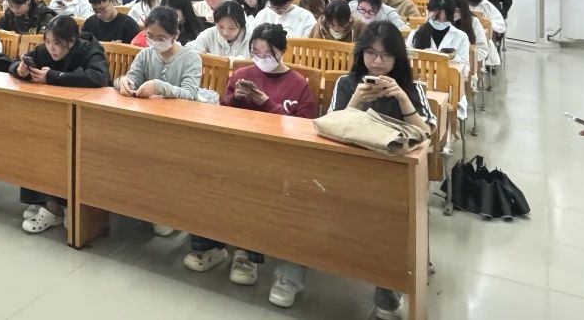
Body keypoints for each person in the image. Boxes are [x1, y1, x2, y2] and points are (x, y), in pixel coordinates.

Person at [183, 23, 316, 308]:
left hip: (279, 157)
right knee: (205, 173)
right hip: (236, 149)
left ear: (282, 51)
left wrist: (267, 104)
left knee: (257, 186)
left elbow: (305, 129)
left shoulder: (299, 84)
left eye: (267, 54)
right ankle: (211, 245)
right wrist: (234, 99)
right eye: (255, 52)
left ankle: (247, 254)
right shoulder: (243, 74)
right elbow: (224, 112)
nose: (260, 58)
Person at [327, 21, 434, 320]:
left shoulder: (411, 88)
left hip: (396, 174)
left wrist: (402, 98)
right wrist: (356, 101)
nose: (377, 62)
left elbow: (426, 135)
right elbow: (331, 128)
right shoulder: (346, 83)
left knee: (392, 219)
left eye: (385, 55)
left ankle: (388, 292)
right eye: (370, 53)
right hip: (351, 168)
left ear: (397, 59)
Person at [10, 15, 109, 232]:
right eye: (47, 42)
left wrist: (53, 76)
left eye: (56, 43)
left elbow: (97, 78)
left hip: (87, 120)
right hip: (52, 115)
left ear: (71, 42)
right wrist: (20, 70)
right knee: (32, 137)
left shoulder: (90, 50)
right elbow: (17, 63)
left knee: (61, 147)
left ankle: (62, 204)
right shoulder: (44, 50)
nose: (51, 48)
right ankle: (46, 203)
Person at [117, 6, 201, 103]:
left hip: (178, 110)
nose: (154, 42)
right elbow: (133, 81)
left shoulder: (191, 58)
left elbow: (190, 94)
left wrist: (159, 87)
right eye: (150, 36)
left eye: (161, 39)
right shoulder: (145, 54)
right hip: (148, 108)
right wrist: (122, 81)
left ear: (175, 36)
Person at [187, 0, 251, 58]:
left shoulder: (251, 38)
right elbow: (188, 50)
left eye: (231, 28)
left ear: (241, 26)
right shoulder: (210, 34)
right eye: (221, 27)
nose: (225, 32)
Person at [463, 0, 506, 66]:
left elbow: (501, 26)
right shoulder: (461, 4)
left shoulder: (486, 6)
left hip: (481, 37)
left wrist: (487, 24)